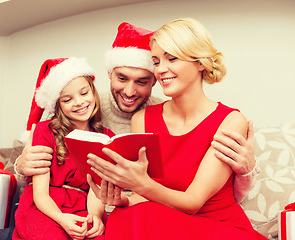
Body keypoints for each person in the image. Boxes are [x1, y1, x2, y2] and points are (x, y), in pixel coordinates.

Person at [15, 22, 259, 204]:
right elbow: (32, 173)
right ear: (109, 73)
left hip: (127, 211)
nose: (129, 91)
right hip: (70, 209)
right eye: (122, 78)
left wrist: (246, 172)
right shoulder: (79, 104)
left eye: (142, 81)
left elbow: (215, 194)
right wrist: (21, 167)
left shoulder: (162, 113)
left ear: (153, 81)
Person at [86, 18, 266, 239]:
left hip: (216, 227)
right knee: (124, 215)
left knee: (140, 217)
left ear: (200, 62)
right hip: (163, 222)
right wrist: (124, 200)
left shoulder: (230, 120)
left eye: (171, 58)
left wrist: (141, 184)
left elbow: (193, 202)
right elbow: (144, 199)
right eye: (156, 61)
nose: (161, 70)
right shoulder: (142, 119)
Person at [11, 57, 112, 240]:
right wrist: (61, 218)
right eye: (67, 99)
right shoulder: (45, 131)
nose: (79, 102)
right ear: (58, 105)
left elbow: (96, 189)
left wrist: (95, 216)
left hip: (84, 207)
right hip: (44, 208)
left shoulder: (106, 137)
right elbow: (40, 193)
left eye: (84, 93)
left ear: (93, 91)